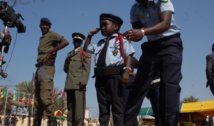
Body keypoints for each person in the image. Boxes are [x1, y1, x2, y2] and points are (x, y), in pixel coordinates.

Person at [123, 0, 183, 126]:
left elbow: (165, 24)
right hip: (151, 46)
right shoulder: (135, 9)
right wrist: (132, 34)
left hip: (170, 44)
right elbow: (138, 34)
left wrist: (143, 32)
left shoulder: (161, 2)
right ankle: (128, 122)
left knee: (169, 87)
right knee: (139, 86)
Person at [83, 13, 135, 126]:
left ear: (115, 26)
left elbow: (129, 54)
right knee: (103, 109)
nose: (102, 27)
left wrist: (126, 71)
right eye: (101, 25)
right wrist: (89, 35)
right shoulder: (100, 43)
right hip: (100, 79)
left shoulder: (121, 40)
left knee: (117, 108)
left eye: (105, 24)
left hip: (115, 77)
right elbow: (86, 49)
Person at [34, 17, 69, 126]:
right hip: (39, 68)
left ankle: (52, 121)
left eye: (46, 25)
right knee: (38, 100)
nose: (44, 26)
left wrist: (51, 51)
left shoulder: (52, 35)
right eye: (42, 25)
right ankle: (36, 122)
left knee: (45, 97)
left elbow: (65, 42)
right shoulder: (42, 38)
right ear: (40, 26)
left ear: (49, 26)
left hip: (47, 68)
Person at [64, 32, 91, 126]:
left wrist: (83, 81)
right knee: (70, 108)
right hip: (69, 84)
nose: (77, 42)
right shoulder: (69, 54)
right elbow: (65, 70)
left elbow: (87, 69)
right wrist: (66, 63)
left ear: (81, 42)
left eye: (78, 41)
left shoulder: (84, 53)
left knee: (79, 110)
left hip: (79, 85)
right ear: (73, 41)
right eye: (75, 40)